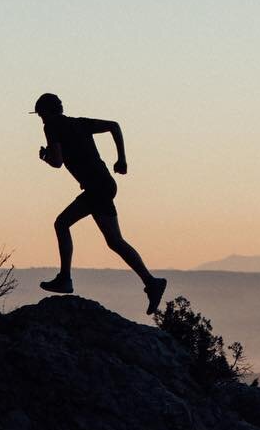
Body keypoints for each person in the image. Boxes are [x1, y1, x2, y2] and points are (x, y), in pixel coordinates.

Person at [32, 92, 167, 316]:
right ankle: (151, 282)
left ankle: (65, 279)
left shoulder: (52, 126)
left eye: (41, 115)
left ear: (46, 112)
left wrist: (45, 156)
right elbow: (114, 126)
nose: (41, 120)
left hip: (97, 188)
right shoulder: (80, 124)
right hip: (105, 184)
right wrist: (122, 158)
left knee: (62, 224)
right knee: (115, 241)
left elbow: (57, 162)